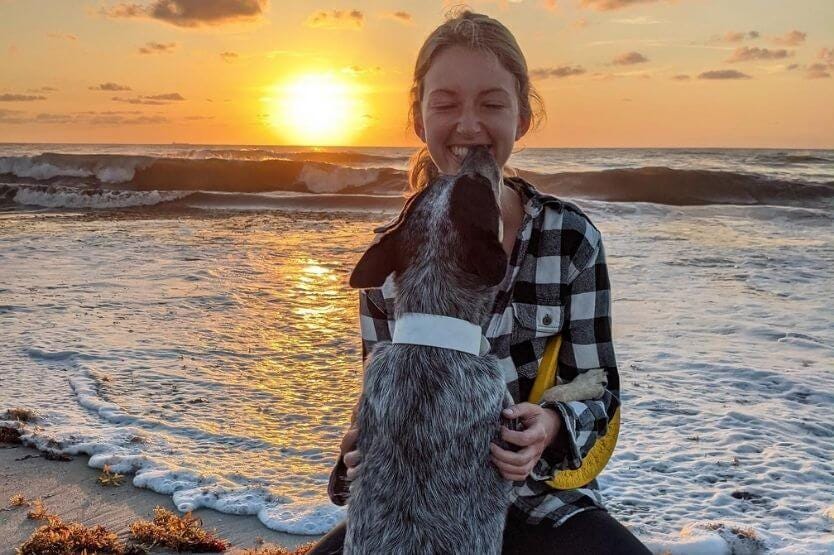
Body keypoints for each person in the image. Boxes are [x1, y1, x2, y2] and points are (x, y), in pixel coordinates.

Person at [309, 9, 650, 555]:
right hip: (417, 503)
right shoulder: (392, 252)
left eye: (492, 103)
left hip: (540, 501)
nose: (468, 125)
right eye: (446, 104)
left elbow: (600, 390)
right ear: (420, 119)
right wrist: (352, 456)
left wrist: (550, 428)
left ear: (523, 118)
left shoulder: (570, 239)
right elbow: (377, 398)